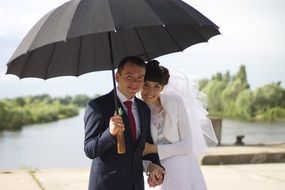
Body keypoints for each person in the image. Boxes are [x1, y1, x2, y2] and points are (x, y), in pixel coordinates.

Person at [84, 56, 165, 190]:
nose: (135, 82)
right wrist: (109, 133)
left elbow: (145, 145)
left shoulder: (144, 108)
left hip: (136, 185)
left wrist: (154, 166)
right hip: (106, 185)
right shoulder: (97, 106)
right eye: (129, 76)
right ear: (117, 77)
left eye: (140, 77)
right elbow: (89, 150)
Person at [140, 60, 218, 190]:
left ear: (163, 88)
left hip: (183, 167)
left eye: (156, 86)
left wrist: (152, 148)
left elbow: (187, 145)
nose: (150, 91)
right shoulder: (137, 109)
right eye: (146, 85)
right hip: (157, 168)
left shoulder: (176, 102)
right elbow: (139, 151)